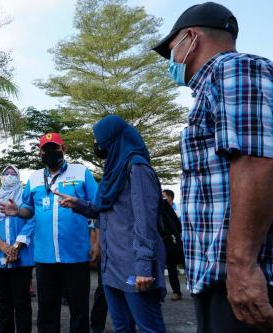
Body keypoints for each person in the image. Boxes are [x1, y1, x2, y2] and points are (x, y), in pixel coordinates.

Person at [152, 2, 273, 332]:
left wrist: (242, 265)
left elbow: (255, 160)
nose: (172, 60)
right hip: (218, 278)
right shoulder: (209, 89)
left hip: (240, 278)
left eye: (171, 49)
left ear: (190, 38)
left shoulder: (235, 69)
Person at [55, 115, 167, 333]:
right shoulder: (112, 171)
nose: (98, 146)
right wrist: (78, 204)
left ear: (114, 140)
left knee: (149, 328)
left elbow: (145, 221)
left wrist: (143, 266)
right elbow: (102, 208)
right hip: (111, 265)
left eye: (100, 140)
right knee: (121, 327)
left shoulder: (137, 168)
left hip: (134, 265)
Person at [0, 132, 99, 333]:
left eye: (55, 148)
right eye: (46, 149)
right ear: (40, 153)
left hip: (76, 255)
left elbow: (97, 206)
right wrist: (17, 211)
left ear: (64, 149)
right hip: (45, 257)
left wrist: (97, 241)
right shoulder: (35, 178)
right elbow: (29, 209)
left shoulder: (81, 172)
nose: (50, 152)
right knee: (46, 312)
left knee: (79, 311)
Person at [0, 165, 35, 333]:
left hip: (23, 257)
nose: (10, 176)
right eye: (7, 173)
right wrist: (1, 245)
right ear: (1, 177)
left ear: (19, 177)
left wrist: (16, 246)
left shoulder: (25, 198)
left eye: (14, 174)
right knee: (4, 301)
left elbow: (32, 221)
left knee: (22, 300)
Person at [161, 189, 184, 301]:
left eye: (164, 196)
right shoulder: (161, 209)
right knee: (171, 267)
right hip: (169, 242)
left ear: (170, 197)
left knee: (187, 265)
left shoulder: (179, 209)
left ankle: (196, 289)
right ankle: (176, 291)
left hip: (182, 242)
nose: (163, 198)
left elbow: (181, 226)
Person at [89, 225, 109, 333]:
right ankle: (96, 326)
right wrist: (96, 245)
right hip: (107, 251)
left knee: (130, 289)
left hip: (127, 251)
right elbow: (97, 223)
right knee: (103, 288)